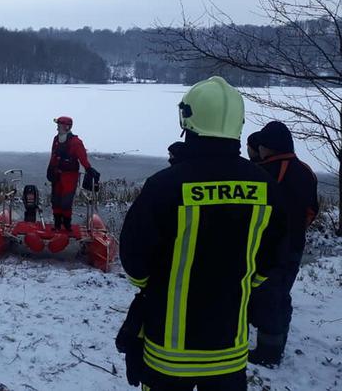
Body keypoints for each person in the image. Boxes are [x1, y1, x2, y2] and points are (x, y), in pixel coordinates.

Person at [117, 76, 287, 390]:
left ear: (187, 118)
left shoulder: (165, 186)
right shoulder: (266, 187)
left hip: (168, 350)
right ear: (238, 122)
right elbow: (274, 255)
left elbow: (133, 258)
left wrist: (153, 288)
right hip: (229, 350)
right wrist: (245, 283)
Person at [248, 121, 319, 366]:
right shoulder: (306, 170)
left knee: (269, 297)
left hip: (269, 247)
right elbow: (312, 209)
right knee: (280, 293)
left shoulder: (264, 173)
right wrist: (298, 230)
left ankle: (268, 353)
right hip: (295, 246)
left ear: (271, 147)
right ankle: (275, 340)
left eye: (262, 146)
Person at [46, 116, 97, 232]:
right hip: (57, 175)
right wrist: (50, 169)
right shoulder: (56, 139)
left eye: (59, 125)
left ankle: (67, 227)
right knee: (56, 200)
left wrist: (89, 168)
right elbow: (53, 155)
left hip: (70, 177)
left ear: (67, 127)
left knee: (66, 201)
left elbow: (82, 158)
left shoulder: (76, 142)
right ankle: (57, 225)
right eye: (57, 125)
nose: (57, 127)